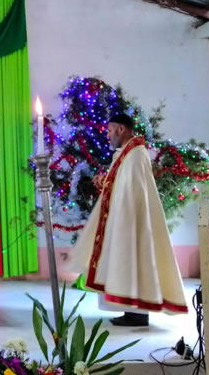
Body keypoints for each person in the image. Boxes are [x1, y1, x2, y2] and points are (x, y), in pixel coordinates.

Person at [66, 114, 188, 327]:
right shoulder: (128, 153)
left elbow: (132, 190)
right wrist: (105, 181)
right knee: (128, 263)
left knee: (134, 261)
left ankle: (138, 314)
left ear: (121, 129)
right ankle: (133, 311)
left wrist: (114, 196)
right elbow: (123, 184)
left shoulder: (136, 154)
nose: (108, 135)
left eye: (110, 130)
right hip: (126, 218)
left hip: (132, 222)